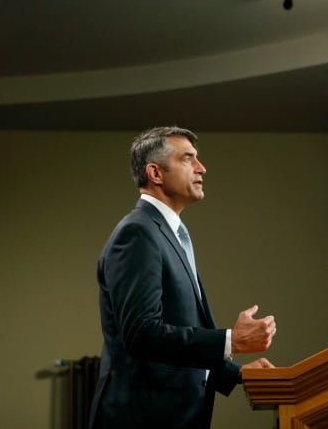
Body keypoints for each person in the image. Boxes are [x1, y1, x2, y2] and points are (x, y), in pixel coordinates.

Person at [88, 126, 277, 429]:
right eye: (188, 159)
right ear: (156, 173)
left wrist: (236, 373)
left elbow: (175, 339)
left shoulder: (168, 234)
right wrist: (231, 340)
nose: (202, 168)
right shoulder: (138, 233)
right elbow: (142, 334)